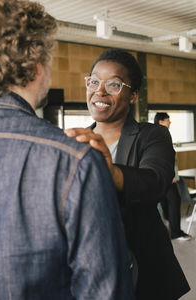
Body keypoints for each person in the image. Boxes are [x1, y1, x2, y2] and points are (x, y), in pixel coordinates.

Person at [0, 2, 135, 299]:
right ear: (38, 68)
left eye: (111, 85)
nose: (98, 91)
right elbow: (105, 292)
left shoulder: (84, 151)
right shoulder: (76, 159)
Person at [65, 48, 190, 300]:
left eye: (114, 84)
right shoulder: (75, 141)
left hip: (143, 268)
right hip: (90, 269)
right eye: (94, 81)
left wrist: (107, 170)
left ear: (133, 95)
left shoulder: (152, 135)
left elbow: (155, 182)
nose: (100, 91)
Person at [154, 112, 192, 241]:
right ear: (160, 122)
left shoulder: (157, 135)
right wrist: (171, 174)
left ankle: (173, 230)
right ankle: (176, 233)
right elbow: (165, 157)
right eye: (167, 120)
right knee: (174, 202)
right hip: (166, 176)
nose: (169, 122)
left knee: (167, 202)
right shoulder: (161, 135)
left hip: (161, 176)